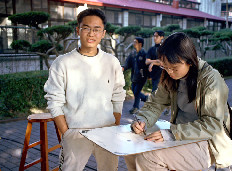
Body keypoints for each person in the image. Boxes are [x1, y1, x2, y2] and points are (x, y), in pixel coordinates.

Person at [125, 32, 232, 171]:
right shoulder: (170, 76)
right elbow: (155, 103)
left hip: (208, 142)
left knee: (150, 157)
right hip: (180, 134)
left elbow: (212, 124)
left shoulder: (210, 79)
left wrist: (172, 133)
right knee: (132, 148)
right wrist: (142, 120)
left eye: (174, 68)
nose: (169, 72)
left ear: (189, 61)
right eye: (165, 67)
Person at [44, 8, 126, 171]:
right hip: (75, 132)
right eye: (86, 28)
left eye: (96, 29)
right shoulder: (62, 62)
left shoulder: (112, 62)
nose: (91, 34)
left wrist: (114, 126)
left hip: (107, 131)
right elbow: (54, 101)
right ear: (78, 30)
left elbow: (118, 96)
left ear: (103, 33)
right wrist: (66, 132)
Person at [146, 30, 170, 115]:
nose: (154, 38)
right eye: (154, 36)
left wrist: (152, 62)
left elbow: (163, 62)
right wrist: (155, 62)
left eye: (157, 36)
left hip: (164, 73)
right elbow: (146, 61)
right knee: (157, 91)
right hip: (154, 74)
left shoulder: (164, 49)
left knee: (159, 92)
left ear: (162, 37)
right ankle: (156, 109)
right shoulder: (151, 49)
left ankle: (155, 110)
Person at [123, 37, 148, 114]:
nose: (133, 43)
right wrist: (123, 67)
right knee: (134, 90)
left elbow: (147, 66)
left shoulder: (144, 54)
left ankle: (135, 107)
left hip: (142, 77)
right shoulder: (133, 53)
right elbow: (128, 63)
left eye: (135, 42)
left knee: (137, 92)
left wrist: (149, 75)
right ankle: (145, 98)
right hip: (134, 77)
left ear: (140, 44)